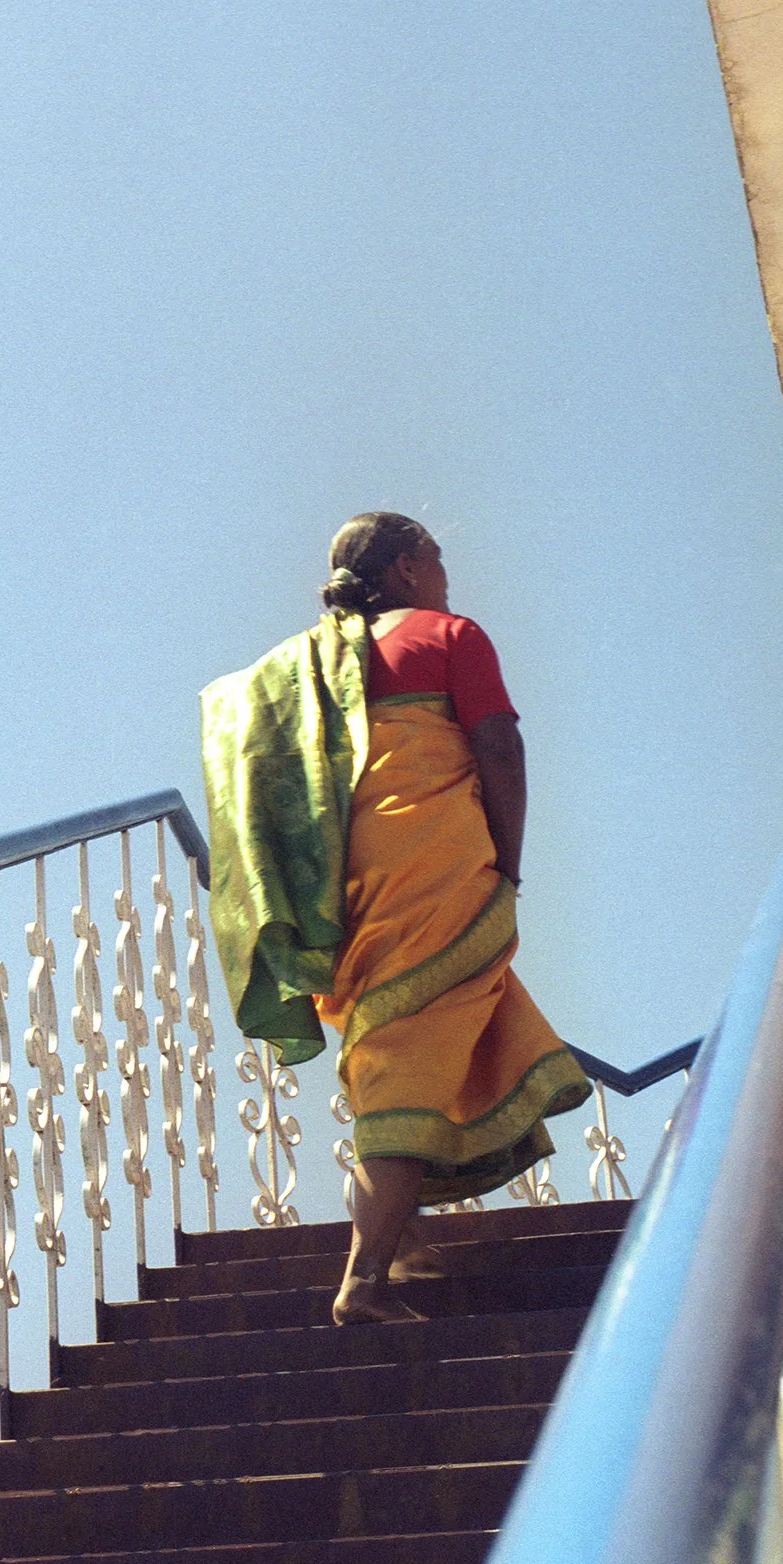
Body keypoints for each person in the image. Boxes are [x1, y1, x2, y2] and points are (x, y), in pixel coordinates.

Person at [199, 511, 589, 1324]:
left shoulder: (296, 669)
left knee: (395, 1040)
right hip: (429, 862)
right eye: (438, 560)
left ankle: (405, 1237)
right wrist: (509, 864)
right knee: (412, 1053)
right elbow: (500, 747)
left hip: (337, 881)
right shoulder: (450, 633)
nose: (447, 575)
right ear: (409, 569)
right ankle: (365, 1280)